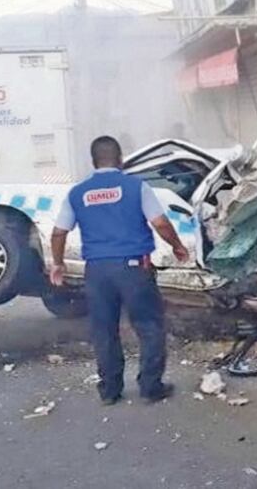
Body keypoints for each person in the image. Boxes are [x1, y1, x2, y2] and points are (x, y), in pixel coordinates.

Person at [48, 135, 190, 405]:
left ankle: (110, 391)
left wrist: (58, 262)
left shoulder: (78, 193)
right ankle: (150, 387)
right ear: (121, 158)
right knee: (148, 326)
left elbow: (58, 232)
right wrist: (177, 246)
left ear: (93, 161)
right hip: (134, 268)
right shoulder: (136, 186)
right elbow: (160, 223)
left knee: (104, 330)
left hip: (97, 272)